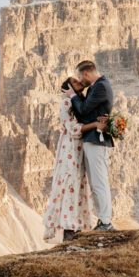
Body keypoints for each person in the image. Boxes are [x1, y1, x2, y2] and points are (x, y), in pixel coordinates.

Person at [41, 76, 100, 242]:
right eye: (74, 82)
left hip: (78, 149)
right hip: (70, 150)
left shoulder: (80, 101)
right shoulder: (67, 103)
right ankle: (69, 231)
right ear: (68, 89)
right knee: (70, 185)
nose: (79, 82)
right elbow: (73, 129)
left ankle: (76, 227)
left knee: (78, 185)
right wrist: (95, 125)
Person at [69, 59, 115, 231]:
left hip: (97, 139)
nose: (80, 81)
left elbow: (84, 110)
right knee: (96, 182)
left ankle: (105, 221)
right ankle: (103, 220)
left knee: (99, 182)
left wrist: (72, 95)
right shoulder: (96, 87)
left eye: (80, 77)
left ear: (86, 74)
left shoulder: (101, 86)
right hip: (92, 138)